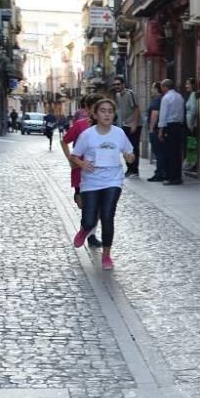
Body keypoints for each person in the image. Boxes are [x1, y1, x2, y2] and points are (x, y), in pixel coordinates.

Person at [69, 98, 135, 271]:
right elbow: (74, 156)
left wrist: (130, 157)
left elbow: (130, 153)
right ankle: (85, 229)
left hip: (113, 180)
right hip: (91, 182)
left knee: (107, 216)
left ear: (114, 115)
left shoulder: (119, 133)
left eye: (110, 111)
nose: (107, 114)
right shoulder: (87, 135)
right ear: (95, 114)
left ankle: (106, 255)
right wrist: (82, 164)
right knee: (90, 219)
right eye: (103, 111)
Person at [61, 94, 102, 249]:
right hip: (81, 170)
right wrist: (70, 160)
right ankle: (87, 227)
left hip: (99, 172)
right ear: (87, 108)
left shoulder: (106, 126)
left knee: (97, 205)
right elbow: (64, 141)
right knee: (84, 205)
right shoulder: (79, 125)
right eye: (95, 107)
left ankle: (91, 235)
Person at [111, 76, 141, 178]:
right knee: (125, 148)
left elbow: (137, 109)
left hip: (134, 124)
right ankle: (129, 169)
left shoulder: (130, 94)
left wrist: (134, 124)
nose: (116, 86)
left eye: (118, 84)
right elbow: (119, 110)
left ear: (123, 84)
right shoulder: (118, 95)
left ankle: (135, 170)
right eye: (115, 85)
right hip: (124, 125)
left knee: (134, 147)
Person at [157, 79, 185, 185]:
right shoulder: (180, 97)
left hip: (169, 127)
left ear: (165, 87)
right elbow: (182, 113)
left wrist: (161, 130)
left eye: (162, 87)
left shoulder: (166, 98)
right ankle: (178, 176)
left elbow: (163, 115)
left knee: (168, 153)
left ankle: (170, 177)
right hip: (178, 126)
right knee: (177, 153)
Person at [146, 82, 165, 181]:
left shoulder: (157, 100)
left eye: (152, 88)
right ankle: (161, 172)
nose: (151, 90)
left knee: (158, 153)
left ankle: (159, 173)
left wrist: (151, 129)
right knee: (160, 152)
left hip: (156, 130)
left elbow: (155, 114)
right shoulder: (162, 99)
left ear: (157, 89)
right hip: (160, 129)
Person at [183, 77, 199, 172]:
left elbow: (193, 111)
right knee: (190, 143)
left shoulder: (192, 95)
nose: (186, 86)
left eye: (188, 84)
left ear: (193, 85)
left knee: (191, 144)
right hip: (190, 124)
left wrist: (191, 125)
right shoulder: (190, 95)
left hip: (191, 125)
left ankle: (191, 163)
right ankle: (190, 163)